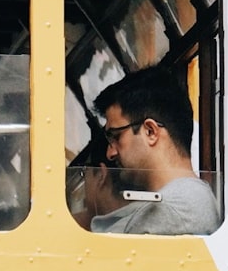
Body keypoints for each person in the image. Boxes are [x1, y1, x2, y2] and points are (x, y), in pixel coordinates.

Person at [91, 66, 219, 235]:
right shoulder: (187, 200)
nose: (110, 153)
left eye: (116, 136)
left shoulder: (171, 211)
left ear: (150, 132)